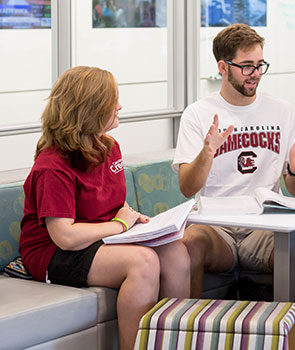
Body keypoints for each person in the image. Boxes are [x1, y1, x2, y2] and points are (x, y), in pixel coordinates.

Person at [173, 23, 295, 346]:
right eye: (246, 66)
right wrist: (207, 154)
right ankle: (189, 340)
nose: (255, 73)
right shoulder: (198, 114)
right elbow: (186, 188)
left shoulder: (281, 111)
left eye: (260, 65)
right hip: (216, 228)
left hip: (265, 228)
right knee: (188, 244)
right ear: (223, 67)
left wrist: (294, 167)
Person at [18, 66, 190, 350]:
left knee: (176, 252)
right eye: (113, 101)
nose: (120, 106)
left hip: (100, 239)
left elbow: (112, 201)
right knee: (143, 262)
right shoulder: (52, 165)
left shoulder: (109, 147)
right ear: (91, 109)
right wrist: (121, 225)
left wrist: (134, 220)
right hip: (55, 253)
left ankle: (173, 343)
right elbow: (65, 236)